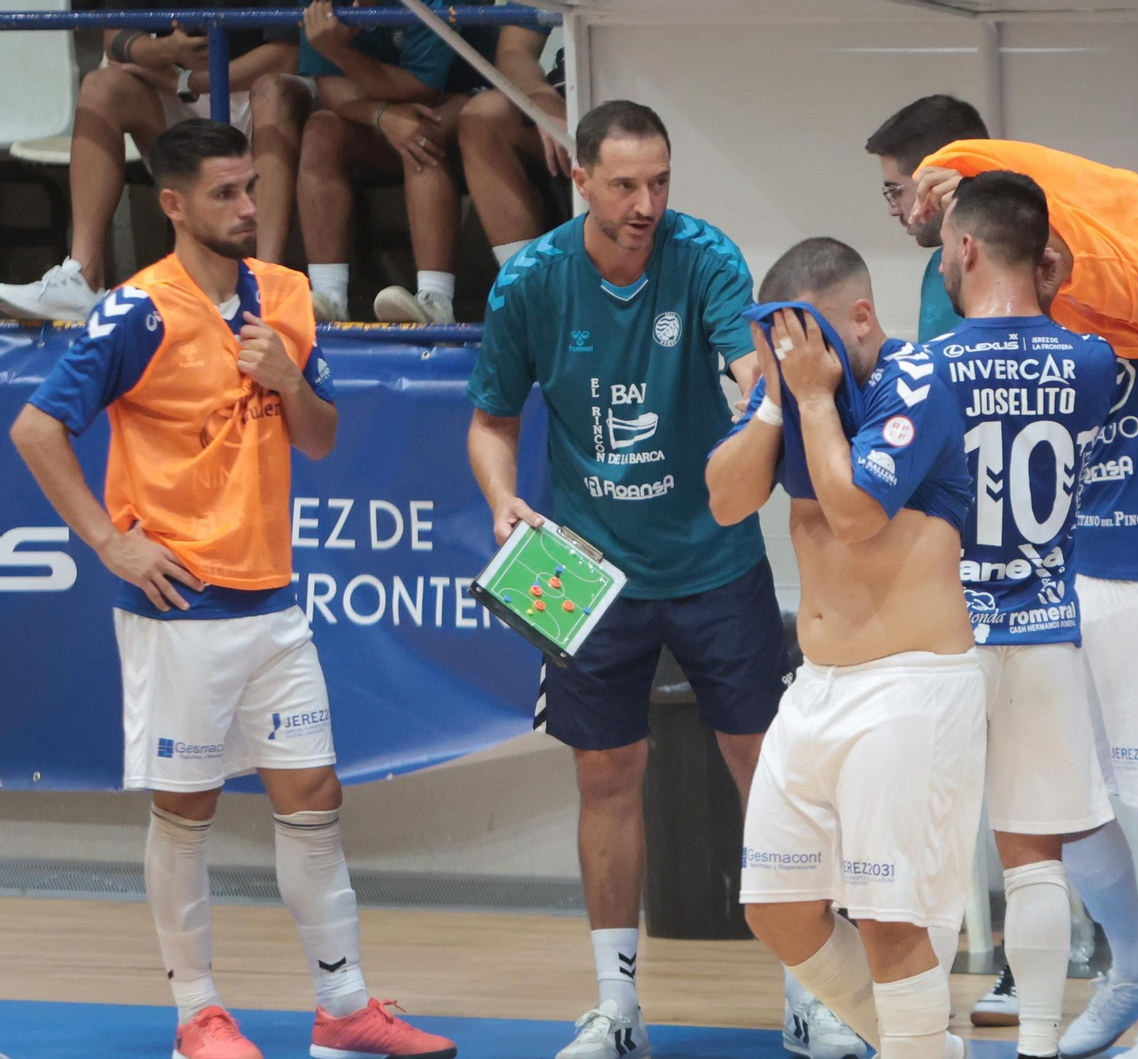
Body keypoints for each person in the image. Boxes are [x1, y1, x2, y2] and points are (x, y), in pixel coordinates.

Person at [7, 119, 453, 1059]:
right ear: (172, 204)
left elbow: (321, 437)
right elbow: (39, 431)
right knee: (188, 809)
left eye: (251, 187)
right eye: (224, 193)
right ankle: (198, 1014)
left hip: (274, 602)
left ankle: (343, 1009)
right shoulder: (138, 310)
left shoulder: (286, 294)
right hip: (179, 608)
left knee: (316, 797)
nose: (247, 207)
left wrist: (290, 378)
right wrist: (110, 543)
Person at [465, 101, 862, 1059]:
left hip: (715, 562)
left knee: (768, 770)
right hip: (587, 574)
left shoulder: (706, 257)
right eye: (626, 185)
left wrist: (759, 388)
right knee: (605, 775)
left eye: (661, 183)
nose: (647, 204)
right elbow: (492, 420)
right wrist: (502, 500)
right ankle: (618, 1008)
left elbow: (748, 365)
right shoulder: (531, 282)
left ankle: (813, 993)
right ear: (581, 180)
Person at [911, 137, 1138, 1059]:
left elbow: (1110, 197)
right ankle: (1131, 966)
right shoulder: (1069, 319)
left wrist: (966, 160)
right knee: (1064, 802)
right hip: (1066, 580)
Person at [707, 235, 983, 1059]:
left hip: (910, 685)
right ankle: (928, 1048)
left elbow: (859, 513)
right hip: (819, 687)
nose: (794, 359)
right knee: (777, 908)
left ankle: (917, 1047)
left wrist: (814, 400)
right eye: (778, 343)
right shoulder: (791, 392)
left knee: (891, 917)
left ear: (859, 317)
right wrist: (770, 403)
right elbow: (725, 501)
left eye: (808, 339)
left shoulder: (919, 379)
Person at [933, 169, 1121, 1059]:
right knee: (1035, 855)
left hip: (948, 636)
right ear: (1042, 257)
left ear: (964, 247)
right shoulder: (1091, 362)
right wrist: (1051, 272)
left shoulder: (924, 364)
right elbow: (1061, 297)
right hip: (1047, 628)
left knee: (928, 858)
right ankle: (1041, 1043)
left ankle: (922, 1037)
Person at [0, 0, 308, 321]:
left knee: (275, 91)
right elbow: (115, 38)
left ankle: (266, 281)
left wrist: (191, 81)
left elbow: (286, 53)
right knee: (100, 86)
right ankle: (83, 277)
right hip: (174, 88)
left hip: (253, 93)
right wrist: (166, 50)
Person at [295, 0, 500, 324]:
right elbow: (332, 88)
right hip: (384, 112)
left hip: (466, 103)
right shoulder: (322, 5)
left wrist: (338, 50)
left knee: (419, 133)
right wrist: (382, 115)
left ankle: (436, 301)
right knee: (321, 132)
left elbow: (421, 86)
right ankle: (328, 297)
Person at [865, 95, 990, 344]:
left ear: (940, 178)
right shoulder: (939, 266)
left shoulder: (1031, 267)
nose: (893, 209)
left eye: (895, 191)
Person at [459, 20, 572, 267]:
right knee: (483, 118)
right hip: (579, 91)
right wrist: (540, 96)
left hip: (667, 90)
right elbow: (514, 51)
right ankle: (526, 291)